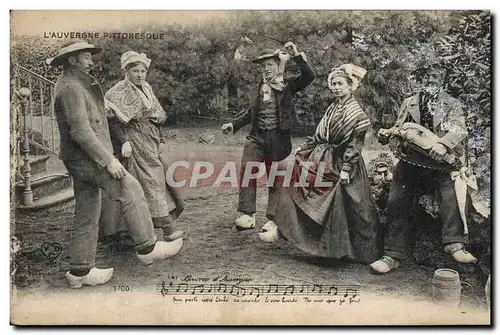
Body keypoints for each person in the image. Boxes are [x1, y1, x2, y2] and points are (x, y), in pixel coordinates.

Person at [48, 40, 183, 289]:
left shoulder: (75, 83)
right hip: (87, 158)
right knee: (129, 188)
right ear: (72, 60)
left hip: (81, 158)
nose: (91, 61)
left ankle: (80, 271)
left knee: (88, 211)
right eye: (86, 57)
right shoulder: (70, 87)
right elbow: (80, 131)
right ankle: (148, 247)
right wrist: (108, 159)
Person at [263, 64, 383, 264]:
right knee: (296, 177)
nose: (336, 87)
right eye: (333, 84)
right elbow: (319, 135)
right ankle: (293, 233)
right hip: (323, 158)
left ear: (350, 86)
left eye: (340, 84)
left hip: (345, 162)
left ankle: (355, 252)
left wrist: (345, 169)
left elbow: (355, 145)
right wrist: (303, 149)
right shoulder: (333, 107)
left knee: (348, 204)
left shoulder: (357, 113)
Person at [370, 61, 477, 274]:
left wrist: (443, 143)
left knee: (451, 191)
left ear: (442, 80)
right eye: (426, 77)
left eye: (435, 77)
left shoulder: (451, 103)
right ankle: (392, 255)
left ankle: (455, 244)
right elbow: (401, 128)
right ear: (420, 80)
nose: (430, 81)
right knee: (397, 199)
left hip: (440, 163)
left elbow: (459, 129)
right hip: (412, 161)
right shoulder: (409, 102)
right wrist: (387, 133)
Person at [221, 41, 315, 231]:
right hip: (256, 137)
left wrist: (296, 55)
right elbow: (251, 112)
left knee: (276, 178)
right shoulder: (258, 88)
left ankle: (273, 218)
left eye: (270, 64)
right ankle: (247, 214)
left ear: (278, 64)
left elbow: (309, 76)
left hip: (278, 139)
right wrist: (234, 124)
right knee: (248, 169)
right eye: (263, 66)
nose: (266, 69)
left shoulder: (287, 86)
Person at [103, 51, 184, 242]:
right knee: (150, 180)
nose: (140, 75)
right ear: (126, 71)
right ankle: (166, 227)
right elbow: (112, 121)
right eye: (135, 71)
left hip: (150, 138)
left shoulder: (146, 88)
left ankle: (135, 231)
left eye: (142, 71)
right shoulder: (116, 92)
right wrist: (124, 141)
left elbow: (155, 115)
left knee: (154, 179)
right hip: (132, 139)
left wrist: (161, 139)